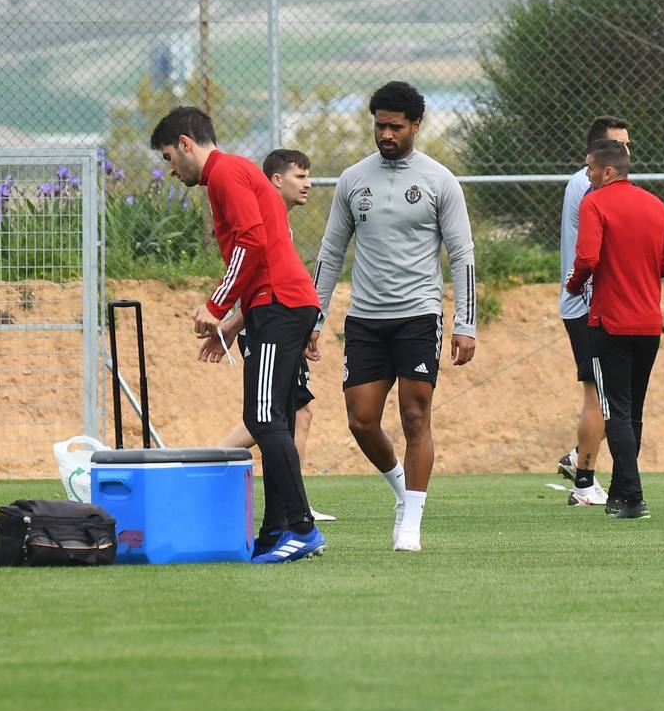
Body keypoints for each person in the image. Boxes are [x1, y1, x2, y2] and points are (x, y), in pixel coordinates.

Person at [151, 106, 325, 564]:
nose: (171, 170)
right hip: (279, 304)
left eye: (170, 156)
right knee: (276, 419)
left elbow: (251, 244)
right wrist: (230, 326)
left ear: (186, 143)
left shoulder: (226, 173)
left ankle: (303, 528)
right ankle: (275, 531)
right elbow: (261, 251)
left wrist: (215, 306)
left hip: (280, 305)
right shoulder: (231, 175)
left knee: (264, 417)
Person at [309, 82, 476, 553]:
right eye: (379, 125)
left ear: (415, 126)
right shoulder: (352, 180)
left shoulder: (440, 180)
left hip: (419, 315)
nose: (385, 133)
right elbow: (330, 252)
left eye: (395, 126)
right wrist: (314, 317)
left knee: (414, 416)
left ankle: (412, 524)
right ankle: (403, 493)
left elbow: (462, 254)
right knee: (361, 420)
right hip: (365, 317)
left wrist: (466, 323)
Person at [208, 149, 334, 523]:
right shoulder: (264, 217)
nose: (308, 184)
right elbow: (256, 278)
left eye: (309, 176)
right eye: (300, 176)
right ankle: (209, 464)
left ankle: (288, 510)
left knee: (289, 412)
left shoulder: (277, 221)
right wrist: (229, 323)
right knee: (266, 417)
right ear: (275, 180)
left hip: (280, 317)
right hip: (267, 320)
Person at [563, 140, 664, 520]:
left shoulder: (594, 203)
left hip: (608, 322)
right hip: (648, 324)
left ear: (608, 171)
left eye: (590, 168)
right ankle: (620, 493)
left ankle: (635, 496)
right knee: (634, 411)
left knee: (615, 411)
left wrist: (574, 284)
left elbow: (588, 258)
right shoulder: (656, 205)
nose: (588, 175)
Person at [556, 116, 632, 507]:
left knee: (611, 395)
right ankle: (584, 483)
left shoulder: (597, 184)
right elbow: (595, 253)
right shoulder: (589, 185)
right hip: (588, 306)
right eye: (620, 145)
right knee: (599, 397)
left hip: (598, 304)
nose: (627, 153)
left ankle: (578, 459)